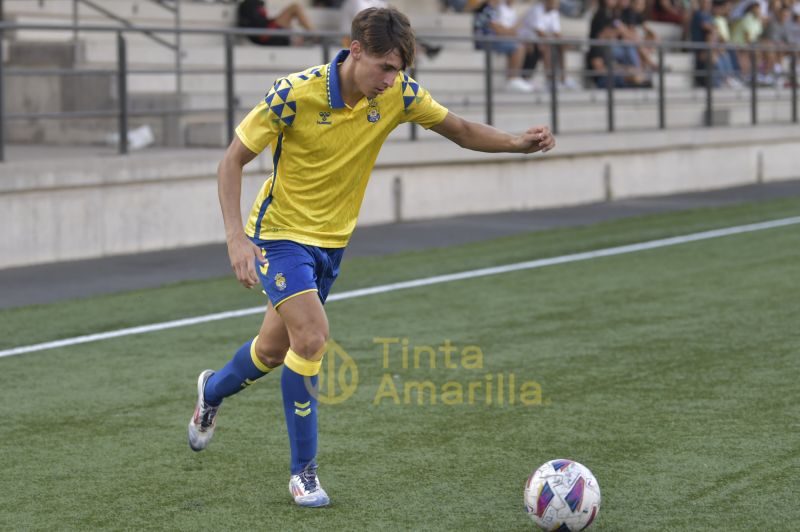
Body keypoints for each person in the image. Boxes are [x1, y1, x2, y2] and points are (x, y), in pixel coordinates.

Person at [187, 6, 555, 509]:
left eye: (399, 69)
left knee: (272, 352)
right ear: (354, 49)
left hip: (332, 245)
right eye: (384, 66)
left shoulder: (399, 93)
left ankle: (212, 392)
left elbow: (460, 128)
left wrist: (517, 143)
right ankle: (304, 474)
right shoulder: (294, 92)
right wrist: (235, 238)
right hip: (278, 237)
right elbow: (231, 159)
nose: (391, 79)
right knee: (313, 337)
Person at [340, 0, 442, 58]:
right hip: (354, 38)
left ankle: (422, 48)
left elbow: (392, 14)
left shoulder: (376, 2)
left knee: (402, 31)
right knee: (399, 39)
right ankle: (423, 49)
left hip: (372, 34)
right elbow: (366, 22)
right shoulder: (354, 2)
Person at [474, 0, 535, 91]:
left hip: (493, 40)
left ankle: (520, 78)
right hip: (485, 42)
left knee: (526, 45)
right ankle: (512, 79)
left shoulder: (492, 9)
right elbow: (499, 30)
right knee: (518, 47)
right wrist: (512, 32)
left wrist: (511, 32)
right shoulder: (486, 9)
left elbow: (501, 29)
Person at [237, 0, 314, 46]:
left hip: (267, 31)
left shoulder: (258, 3)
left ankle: (304, 37)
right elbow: (251, 25)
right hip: (264, 35)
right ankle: (314, 35)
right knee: (295, 7)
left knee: (292, 16)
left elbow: (262, 21)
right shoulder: (247, 5)